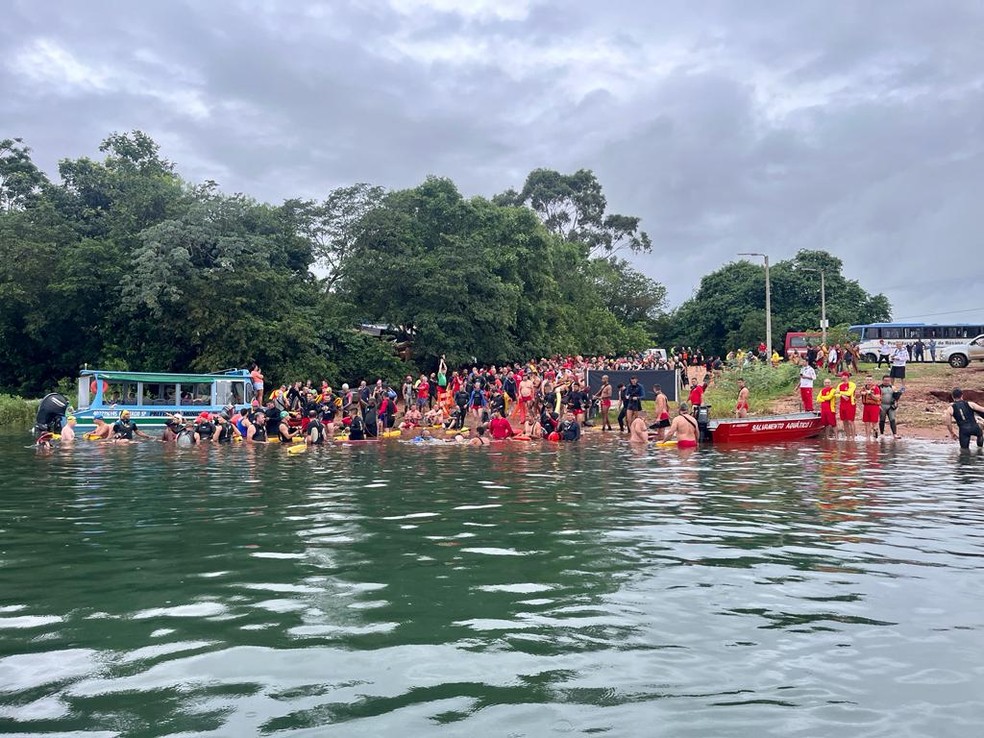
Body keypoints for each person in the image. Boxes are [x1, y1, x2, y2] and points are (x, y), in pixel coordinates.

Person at [877, 375, 902, 439]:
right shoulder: (879, 387)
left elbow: (896, 398)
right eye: (885, 380)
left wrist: (896, 393)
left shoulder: (893, 387)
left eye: (888, 381)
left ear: (890, 381)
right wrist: (878, 405)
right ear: (882, 380)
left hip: (890, 405)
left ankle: (895, 434)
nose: (886, 382)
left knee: (892, 419)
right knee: (882, 420)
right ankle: (882, 434)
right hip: (882, 405)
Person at [858, 375, 881, 441]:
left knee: (874, 423)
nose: (869, 381)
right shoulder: (863, 388)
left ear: (872, 381)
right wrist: (861, 393)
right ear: (865, 381)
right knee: (866, 423)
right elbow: (857, 396)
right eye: (867, 380)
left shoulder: (876, 388)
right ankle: (867, 437)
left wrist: (871, 394)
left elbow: (878, 398)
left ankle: (875, 437)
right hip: (866, 406)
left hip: (874, 406)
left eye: (870, 380)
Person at [836, 372, 857, 438]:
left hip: (850, 404)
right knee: (844, 421)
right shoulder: (840, 385)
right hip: (842, 404)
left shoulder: (852, 384)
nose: (841, 377)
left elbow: (849, 393)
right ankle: (847, 436)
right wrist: (842, 395)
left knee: (851, 421)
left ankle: (853, 437)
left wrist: (840, 392)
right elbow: (835, 393)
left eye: (842, 376)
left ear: (846, 376)